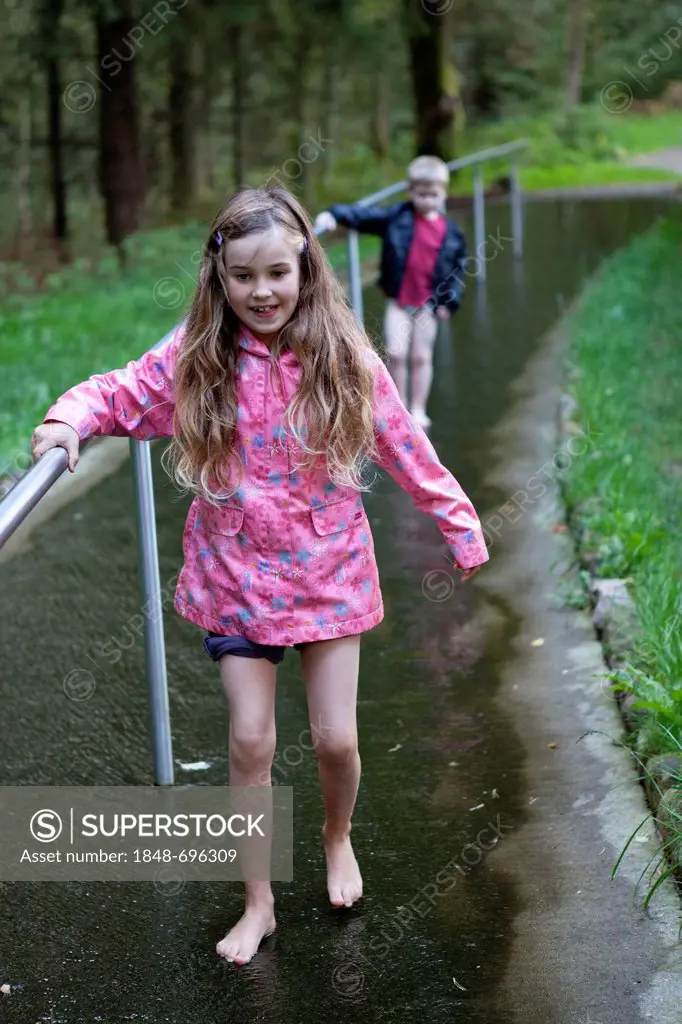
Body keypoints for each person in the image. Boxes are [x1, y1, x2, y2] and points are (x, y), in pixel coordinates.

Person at [31, 185, 489, 967]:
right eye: (243, 276)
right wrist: (68, 418)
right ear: (220, 277)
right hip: (235, 576)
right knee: (249, 741)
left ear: (306, 269)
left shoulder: (342, 356)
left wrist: (460, 522)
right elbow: (118, 390)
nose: (262, 292)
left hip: (329, 572)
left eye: (278, 272)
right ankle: (258, 900)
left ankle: (336, 837)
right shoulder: (198, 357)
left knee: (335, 740)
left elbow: (404, 444)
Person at [314, 155, 467, 430]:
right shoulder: (397, 217)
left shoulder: (451, 233)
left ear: (443, 193)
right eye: (421, 194)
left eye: (434, 194)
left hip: (427, 306)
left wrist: (449, 302)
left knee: (421, 356)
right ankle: (400, 408)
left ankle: (418, 408)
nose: (427, 200)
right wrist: (334, 213)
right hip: (398, 301)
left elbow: (457, 270)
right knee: (396, 353)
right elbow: (364, 216)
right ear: (410, 191)